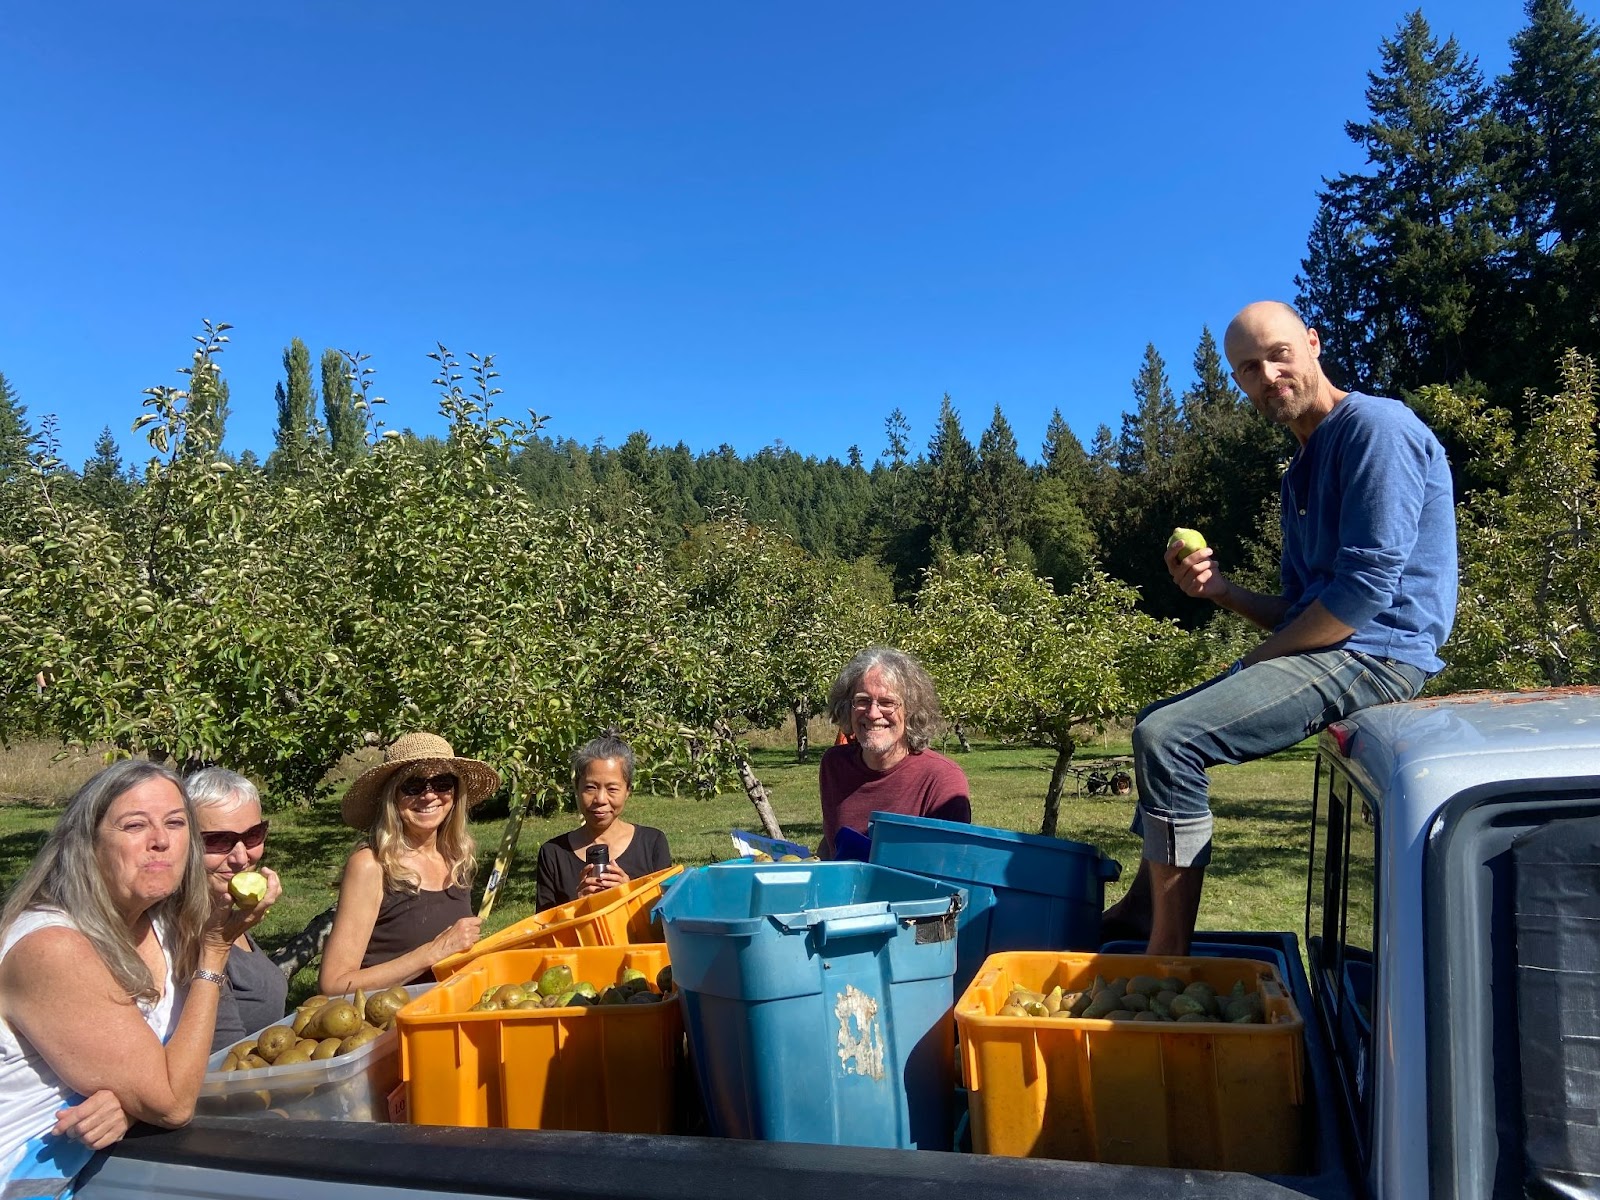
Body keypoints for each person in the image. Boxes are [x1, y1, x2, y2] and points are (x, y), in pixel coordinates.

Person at [1102, 300, 1457, 956]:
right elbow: (1302, 610)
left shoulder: (1374, 429)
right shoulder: (1298, 475)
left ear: (1314, 343)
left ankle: (1166, 953)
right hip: (1341, 647)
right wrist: (1222, 591)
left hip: (1380, 651)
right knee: (1158, 719)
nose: (1266, 374)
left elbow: (1361, 595)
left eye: (1278, 354)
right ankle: (1143, 905)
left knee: (1168, 736)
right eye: (1247, 368)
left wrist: (1256, 660)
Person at [0, 759, 281, 1193]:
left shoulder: (163, 924)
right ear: (87, 844)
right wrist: (216, 951)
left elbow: (167, 1073)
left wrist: (128, 1102)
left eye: (175, 823)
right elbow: (170, 1104)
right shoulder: (52, 947)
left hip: (111, 1166)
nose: (161, 841)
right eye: (134, 826)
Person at [319, 733, 497, 993]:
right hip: (393, 1023)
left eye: (442, 783)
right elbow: (334, 984)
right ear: (392, 796)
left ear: (455, 792)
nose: (429, 795)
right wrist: (432, 952)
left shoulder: (456, 858)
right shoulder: (372, 864)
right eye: (413, 785)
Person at [817, 646, 971, 859]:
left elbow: (949, 869)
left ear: (911, 711)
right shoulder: (834, 765)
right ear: (847, 707)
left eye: (887, 703)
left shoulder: (941, 779)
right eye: (862, 701)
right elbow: (830, 846)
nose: (872, 713)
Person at [188, 767, 289, 1052]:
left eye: (254, 835)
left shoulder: (224, 914)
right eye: (219, 841)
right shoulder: (194, 937)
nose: (242, 857)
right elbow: (229, 1061)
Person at [535, 733, 671, 912]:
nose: (600, 799)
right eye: (590, 787)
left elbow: (667, 920)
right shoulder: (553, 854)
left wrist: (630, 895)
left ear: (628, 790)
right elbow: (543, 930)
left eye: (612, 789)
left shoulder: (652, 843)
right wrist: (578, 908)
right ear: (577, 788)